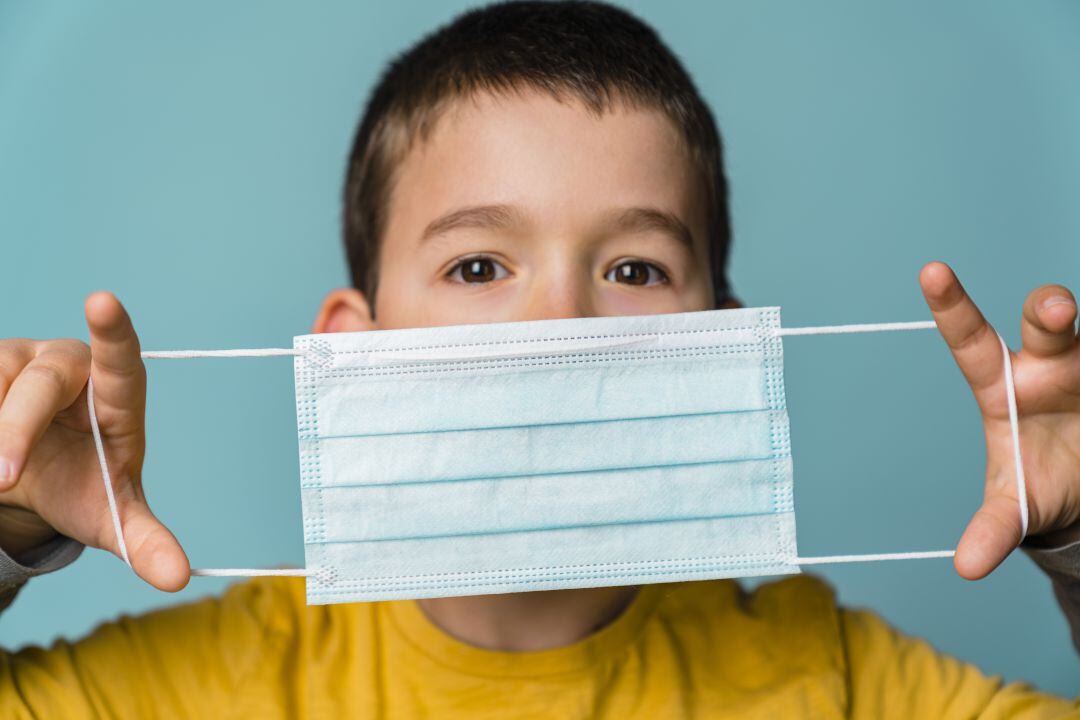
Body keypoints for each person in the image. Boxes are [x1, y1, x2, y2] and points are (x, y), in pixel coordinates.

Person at [1, 2, 1077, 717]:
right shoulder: (206, 689)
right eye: (478, 267)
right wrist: (6, 542)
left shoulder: (835, 681)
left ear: (723, 347)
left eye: (638, 269)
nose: (558, 324)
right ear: (350, 352)